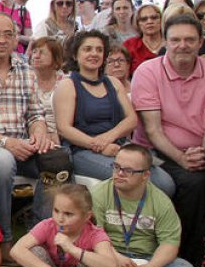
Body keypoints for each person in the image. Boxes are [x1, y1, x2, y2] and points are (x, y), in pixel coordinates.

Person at [0, 12, 72, 247]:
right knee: (3, 161)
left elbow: (35, 114)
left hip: (23, 143)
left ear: (15, 39)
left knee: (58, 159)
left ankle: (39, 231)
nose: (2, 40)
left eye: (8, 35)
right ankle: (3, 238)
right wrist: (6, 143)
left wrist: (39, 133)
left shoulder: (26, 71)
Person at [131, 13, 205, 266]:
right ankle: (189, 258)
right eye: (176, 39)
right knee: (195, 183)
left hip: (204, 147)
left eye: (190, 39)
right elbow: (153, 130)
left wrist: (203, 152)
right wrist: (182, 158)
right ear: (165, 42)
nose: (183, 45)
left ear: (201, 42)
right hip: (160, 153)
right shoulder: (148, 71)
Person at [55, 31, 173, 194]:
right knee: (141, 182)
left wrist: (109, 138)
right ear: (75, 55)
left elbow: (131, 119)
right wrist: (98, 146)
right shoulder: (68, 85)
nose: (94, 54)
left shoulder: (113, 82)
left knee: (166, 182)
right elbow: (63, 128)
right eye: (87, 49)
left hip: (119, 147)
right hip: (82, 151)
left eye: (99, 50)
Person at [91, 144, 198, 267]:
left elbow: (170, 243)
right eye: (116, 167)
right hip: (110, 255)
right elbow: (94, 235)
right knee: (87, 262)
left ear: (145, 175)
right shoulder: (98, 194)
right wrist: (116, 258)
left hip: (146, 259)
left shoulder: (161, 201)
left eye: (128, 170)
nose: (119, 174)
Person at [125, 3, 164, 74]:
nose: (149, 22)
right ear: (137, 23)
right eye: (144, 19)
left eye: (154, 17)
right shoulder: (130, 45)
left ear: (161, 20)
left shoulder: (171, 43)